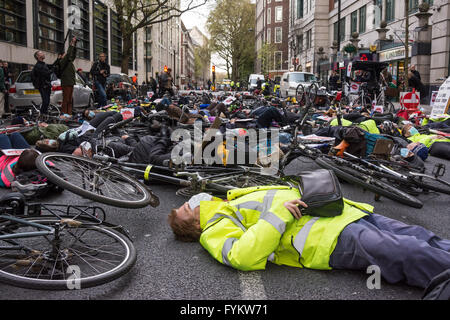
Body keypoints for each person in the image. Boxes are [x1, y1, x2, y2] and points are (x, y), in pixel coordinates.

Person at [168, 186, 450, 289]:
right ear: (192, 225)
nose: (188, 203)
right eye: (184, 209)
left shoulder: (227, 201)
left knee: (420, 236)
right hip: (326, 238)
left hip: (342, 214)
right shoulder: (214, 228)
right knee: (410, 252)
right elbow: (242, 255)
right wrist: (281, 214)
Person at [59, 37, 78, 115]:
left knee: (70, 100)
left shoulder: (69, 61)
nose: (66, 55)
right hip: (66, 83)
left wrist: (75, 45)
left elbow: (73, 54)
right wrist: (71, 44)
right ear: (60, 56)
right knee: (66, 100)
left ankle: (69, 114)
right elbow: (69, 54)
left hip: (70, 82)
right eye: (64, 54)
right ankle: (64, 113)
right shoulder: (62, 62)